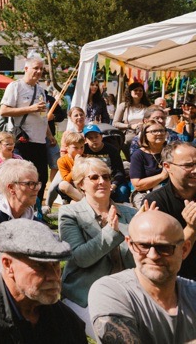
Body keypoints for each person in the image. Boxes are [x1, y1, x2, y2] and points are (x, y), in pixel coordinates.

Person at [58, 156, 137, 338]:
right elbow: (81, 258)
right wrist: (110, 232)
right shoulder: (70, 214)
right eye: (94, 178)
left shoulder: (130, 213)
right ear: (81, 185)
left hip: (128, 292)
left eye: (106, 177)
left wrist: (149, 234)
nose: (102, 181)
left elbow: (141, 260)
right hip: (86, 295)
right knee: (119, 339)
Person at [88, 210, 196, 343]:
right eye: (143, 246)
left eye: (164, 248)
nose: (152, 255)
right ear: (130, 245)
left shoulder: (192, 292)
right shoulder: (109, 291)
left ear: (184, 250)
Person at [0, 159, 42, 284]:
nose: (36, 188)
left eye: (37, 183)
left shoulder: (35, 223)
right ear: (11, 188)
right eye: (30, 184)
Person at [0, 57, 57, 205]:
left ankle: (37, 210)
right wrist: (30, 109)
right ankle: (19, 207)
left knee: (41, 178)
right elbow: (4, 111)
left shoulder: (41, 90)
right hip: (22, 141)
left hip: (40, 141)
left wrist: (49, 135)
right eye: (35, 68)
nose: (38, 72)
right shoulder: (15, 86)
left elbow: (43, 117)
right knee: (22, 178)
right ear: (26, 68)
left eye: (41, 69)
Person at [143, 141, 196, 280]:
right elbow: (165, 254)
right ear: (167, 167)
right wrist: (191, 228)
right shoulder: (155, 202)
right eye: (188, 165)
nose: (195, 170)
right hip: (177, 280)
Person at [82, 124, 129, 203]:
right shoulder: (83, 150)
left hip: (111, 179)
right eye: (90, 138)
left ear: (101, 137)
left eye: (96, 137)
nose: (94, 140)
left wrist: (114, 185)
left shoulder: (111, 150)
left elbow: (119, 171)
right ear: (85, 140)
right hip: (90, 180)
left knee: (123, 190)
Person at [129, 121, 168, 207]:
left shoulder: (171, 152)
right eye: (154, 131)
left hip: (169, 192)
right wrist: (162, 176)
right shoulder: (138, 155)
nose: (159, 133)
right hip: (145, 194)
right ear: (145, 135)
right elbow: (137, 185)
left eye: (162, 130)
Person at [113, 82, 152, 158]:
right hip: (129, 133)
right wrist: (130, 126)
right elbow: (115, 123)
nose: (138, 92)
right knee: (130, 144)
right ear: (130, 92)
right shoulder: (123, 106)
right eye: (135, 90)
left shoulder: (148, 106)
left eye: (140, 90)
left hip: (145, 132)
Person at [55, 131, 86, 202]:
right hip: (72, 188)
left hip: (84, 187)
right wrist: (76, 165)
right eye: (75, 147)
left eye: (82, 147)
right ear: (67, 147)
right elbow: (67, 180)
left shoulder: (86, 158)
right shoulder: (62, 160)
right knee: (61, 185)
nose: (79, 150)